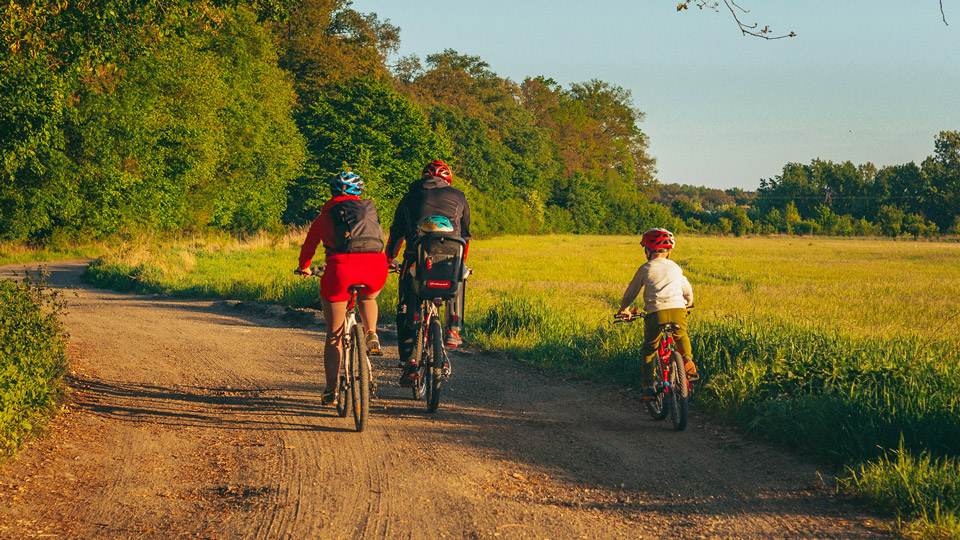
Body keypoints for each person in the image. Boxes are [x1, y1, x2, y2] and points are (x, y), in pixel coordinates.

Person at [297, 171, 388, 405]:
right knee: (368, 298)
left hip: (340, 271)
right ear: (359, 193)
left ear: (333, 192)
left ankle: (331, 389)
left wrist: (304, 267)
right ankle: (371, 333)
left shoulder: (324, 216)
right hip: (376, 267)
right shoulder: (368, 212)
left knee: (334, 336)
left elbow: (309, 247)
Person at [385, 159, 471, 386]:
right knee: (459, 277)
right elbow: (465, 236)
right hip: (450, 261)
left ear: (424, 178)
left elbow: (396, 234)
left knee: (406, 306)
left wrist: (389, 257)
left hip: (416, 261)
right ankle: (453, 328)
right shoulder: (459, 197)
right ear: (447, 180)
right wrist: (461, 261)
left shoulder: (408, 198)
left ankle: (409, 362)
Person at [616, 228, 697, 401]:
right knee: (680, 335)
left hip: (655, 314)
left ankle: (649, 387)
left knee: (649, 349)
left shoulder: (645, 268)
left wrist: (624, 309)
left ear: (648, 250)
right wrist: (688, 302)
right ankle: (687, 360)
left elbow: (631, 293)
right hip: (678, 310)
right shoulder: (675, 268)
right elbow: (687, 290)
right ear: (668, 252)